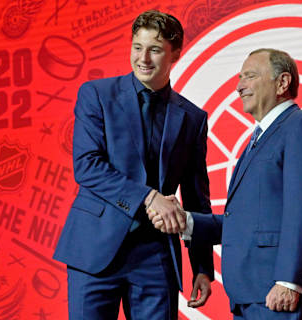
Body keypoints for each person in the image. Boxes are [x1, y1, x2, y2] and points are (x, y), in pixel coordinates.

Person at [53, 10, 213, 320]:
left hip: (156, 256)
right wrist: (149, 196)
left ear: (175, 53)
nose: (143, 58)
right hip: (95, 249)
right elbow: (87, 166)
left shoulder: (193, 118)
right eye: (137, 47)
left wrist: (203, 267)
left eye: (154, 49)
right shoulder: (96, 95)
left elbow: (196, 197)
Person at [151, 48, 302, 319]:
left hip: (278, 294)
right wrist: (187, 222)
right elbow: (246, 222)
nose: (239, 87)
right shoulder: (259, 139)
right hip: (250, 296)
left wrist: (288, 281)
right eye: (239, 78)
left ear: (282, 82)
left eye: (250, 76)